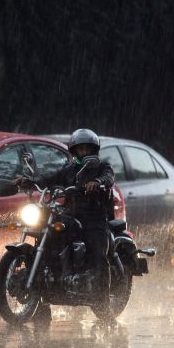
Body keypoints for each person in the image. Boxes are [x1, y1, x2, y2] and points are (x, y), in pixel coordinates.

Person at [14, 128, 115, 310]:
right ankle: (42, 300)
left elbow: (109, 178)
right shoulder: (69, 170)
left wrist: (98, 183)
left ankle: (103, 301)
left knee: (98, 254)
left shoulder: (101, 167)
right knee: (48, 239)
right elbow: (49, 179)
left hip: (94, 218)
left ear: (94, 151)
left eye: (87, 149)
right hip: (72, 214)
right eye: (80, 149)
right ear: (74, 151)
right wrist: (29, 181)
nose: (83, 152)